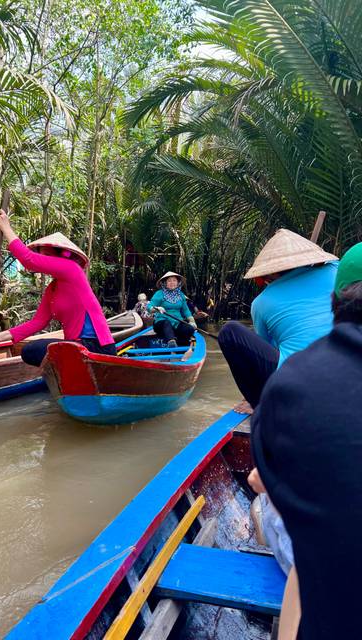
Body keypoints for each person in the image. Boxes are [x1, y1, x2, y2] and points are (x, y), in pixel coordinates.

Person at [251, 242, 362, 640]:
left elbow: (267, 344)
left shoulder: (290, 382)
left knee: (261, 497)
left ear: (335, 299)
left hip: (293, 388)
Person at [218, 229, 338, 413]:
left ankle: (259, 404)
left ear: (270, 274)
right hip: (348, 370)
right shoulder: (335, 270)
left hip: (298, 382)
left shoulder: (261, 303)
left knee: (229, 331)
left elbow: (264, 350)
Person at [0, 210, 116, 365]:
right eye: (40, 253)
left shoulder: (71, 269)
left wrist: (6, 228)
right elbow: (37, 322)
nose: (41, 256)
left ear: (59, 253)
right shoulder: (52, 289)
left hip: (97, 347)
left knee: (32, 349)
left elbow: (28, 259)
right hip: (75, 346)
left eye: (44, 253)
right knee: (30, 352)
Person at [147, 271, 197, 348]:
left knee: (189, 328)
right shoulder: (159, 293)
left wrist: (192, 321)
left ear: (178, 282)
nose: (172, 282)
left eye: (174, 280)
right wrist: (157, 308)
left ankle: (182, 348)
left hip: (177, 322)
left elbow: (186, 310)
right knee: (166, 323)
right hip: (161, 323)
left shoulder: (181, 295)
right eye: (169, 281)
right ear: (165, 283)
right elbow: (149, 306)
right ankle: (171, 342)